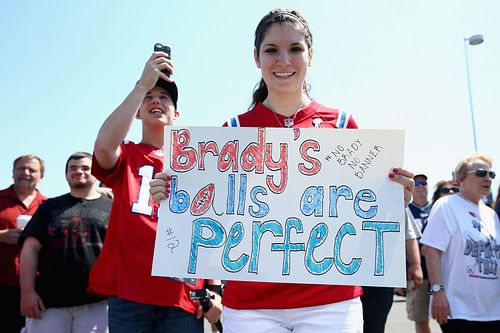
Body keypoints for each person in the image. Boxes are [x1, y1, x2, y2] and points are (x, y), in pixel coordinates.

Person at [150, 8, 415, 333]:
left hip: (331, 303)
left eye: (295, 49)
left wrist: (392, 198)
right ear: (256, 57)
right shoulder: (232, 130)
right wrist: (171, 195)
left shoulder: (343, 125)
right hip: (249, 306)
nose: (284, 60)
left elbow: (365, 210)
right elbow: (205, 215)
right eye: (272, 50)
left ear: (311, 55)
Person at [88, 49, 222, 333]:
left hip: (182, 293)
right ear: (137, 111)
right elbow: (102, 148)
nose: (156, 101)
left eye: (164, 98)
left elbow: (209, 226)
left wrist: (214, 288)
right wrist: (141, 86)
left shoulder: (197, 161)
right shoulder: (126, 154)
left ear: (177, 113)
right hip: (130, 291)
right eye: (149, 98)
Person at [18, 152, 111, 333]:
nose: (79, 172)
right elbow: (30, 249)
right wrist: (27, 292)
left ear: (96, 173)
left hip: (98, 301)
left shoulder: (113, 206)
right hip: (48, 301)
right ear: (66, 174)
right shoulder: (49, 207)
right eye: (73, 168)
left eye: (85, 168)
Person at [421, 153, 500, 333]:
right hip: (460, 310)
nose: (487, 178)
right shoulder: (447, 205)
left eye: (491, 174)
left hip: (494, 311)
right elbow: (431, 251)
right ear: (460, 178)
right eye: (480, 173)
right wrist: (437, 292)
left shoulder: (491, 214)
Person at [0, 155, 47, 333]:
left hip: (36, 287)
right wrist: (2, 235)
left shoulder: (49, 206)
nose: (26, 173)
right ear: (13, 173)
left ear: (41, 176)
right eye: (21, 168)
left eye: (32, 170)